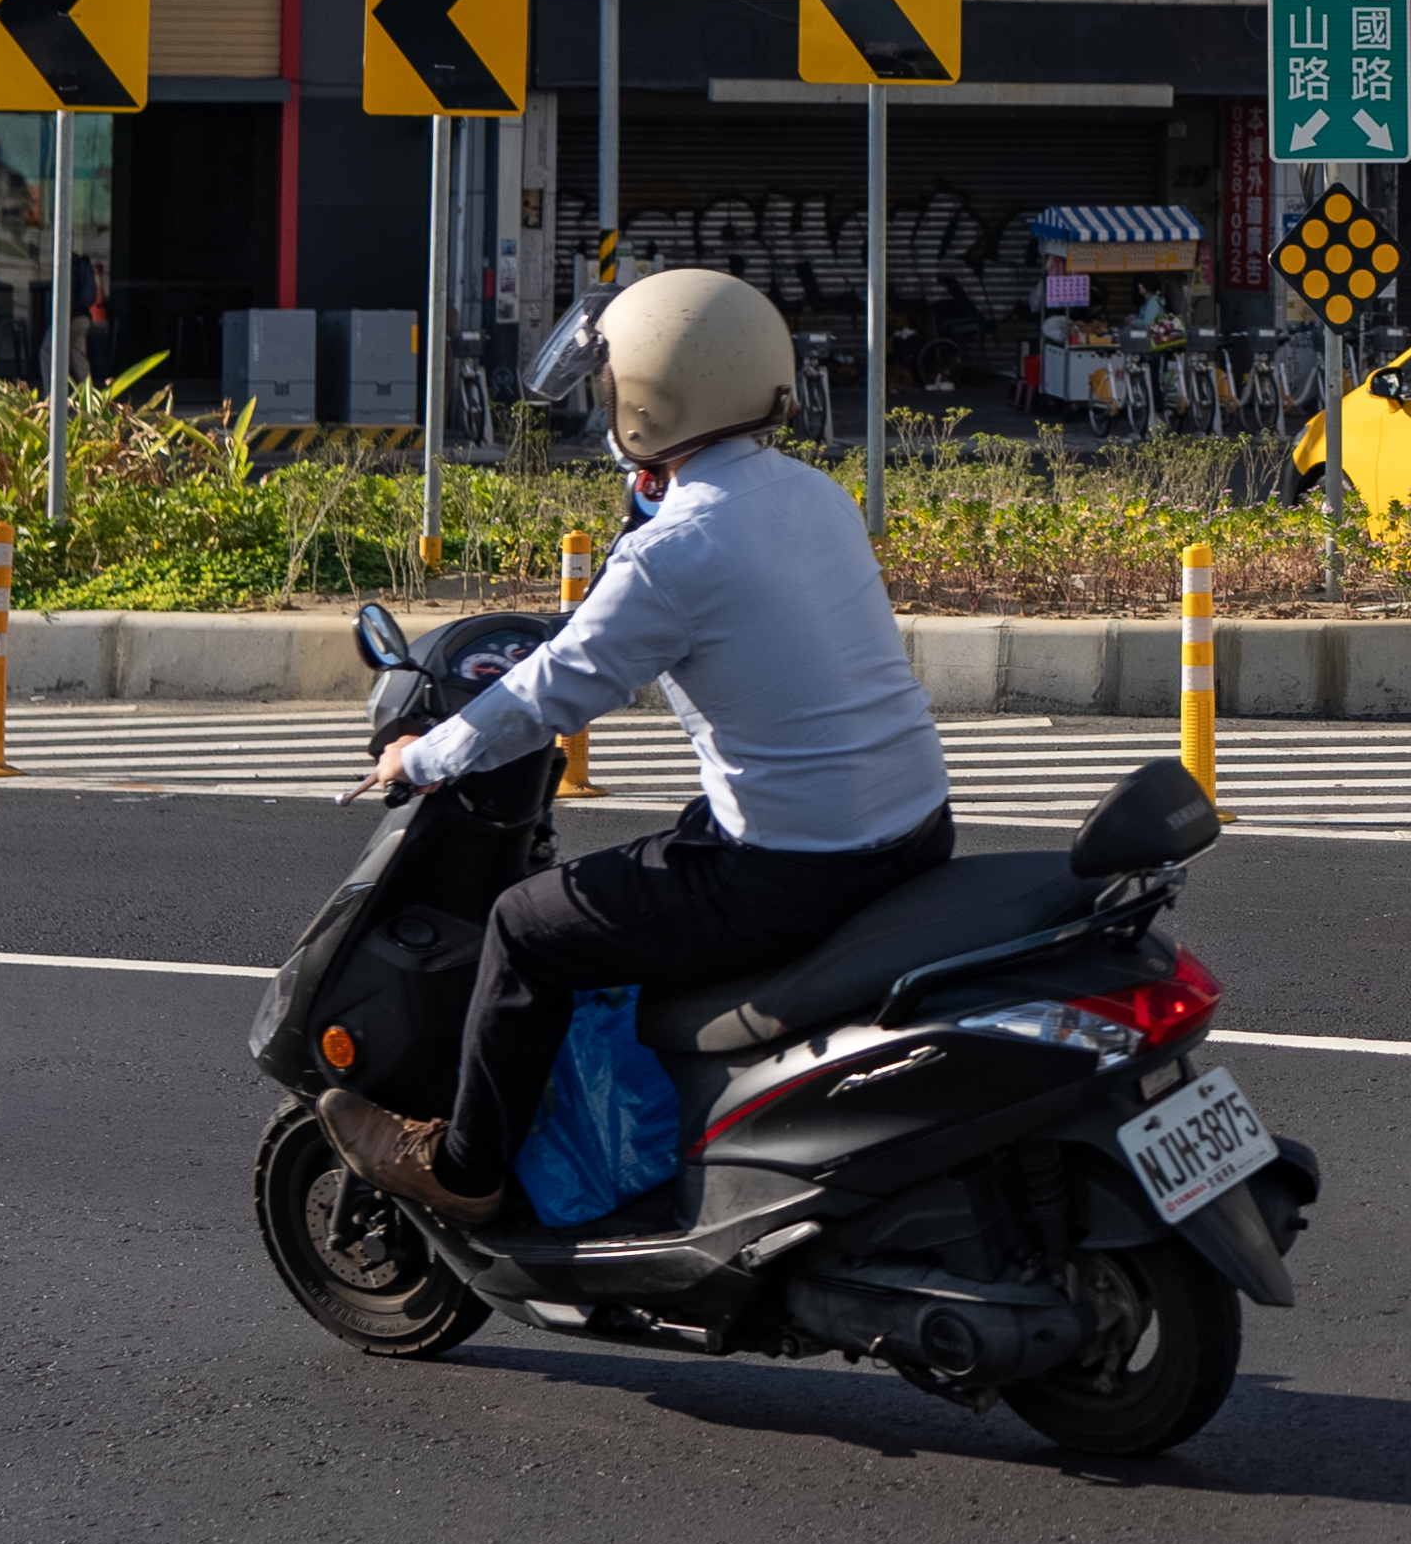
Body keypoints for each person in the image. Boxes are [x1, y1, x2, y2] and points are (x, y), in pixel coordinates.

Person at [315, 269, 951, 1226]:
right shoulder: (814, 494)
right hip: (914, 826)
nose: (606, 402)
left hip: (796, 870)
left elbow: (552, 691)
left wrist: (421, 757)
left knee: (526, 927)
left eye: (613, 386)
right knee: (674, 845)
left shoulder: (673, 553)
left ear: (652, 399)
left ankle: (465, 1169)